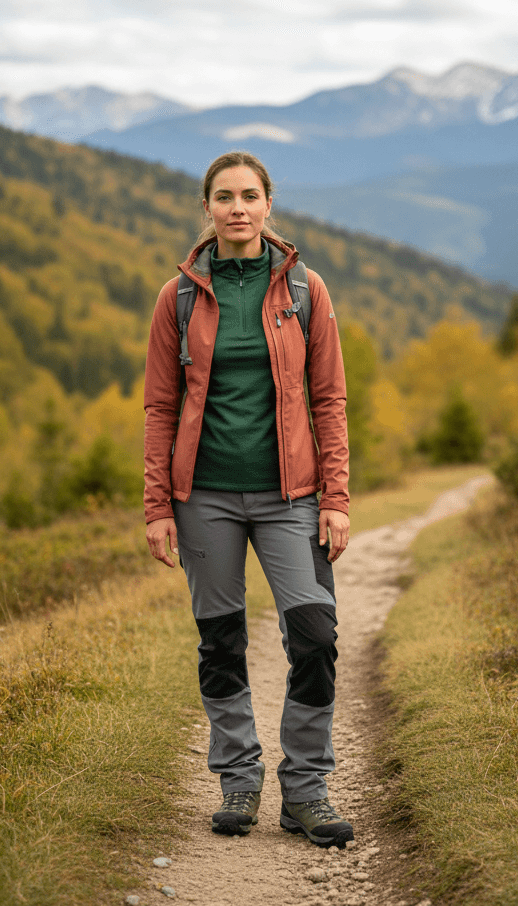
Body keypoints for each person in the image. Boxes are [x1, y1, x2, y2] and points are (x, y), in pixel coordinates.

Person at [143, 150, 354, 848]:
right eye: (224, 196)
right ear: (206, 207)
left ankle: (307, 790)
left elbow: (329, 399)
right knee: (222, 643)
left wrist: (336, 498)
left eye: (249, 196)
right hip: (203, 498)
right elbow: (160, 408)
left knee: (316, 638)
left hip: (292, 497)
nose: (237, 208)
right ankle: (238, 780)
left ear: (269, 204)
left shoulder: (304, 290)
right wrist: (157, 507)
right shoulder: (178, 297)